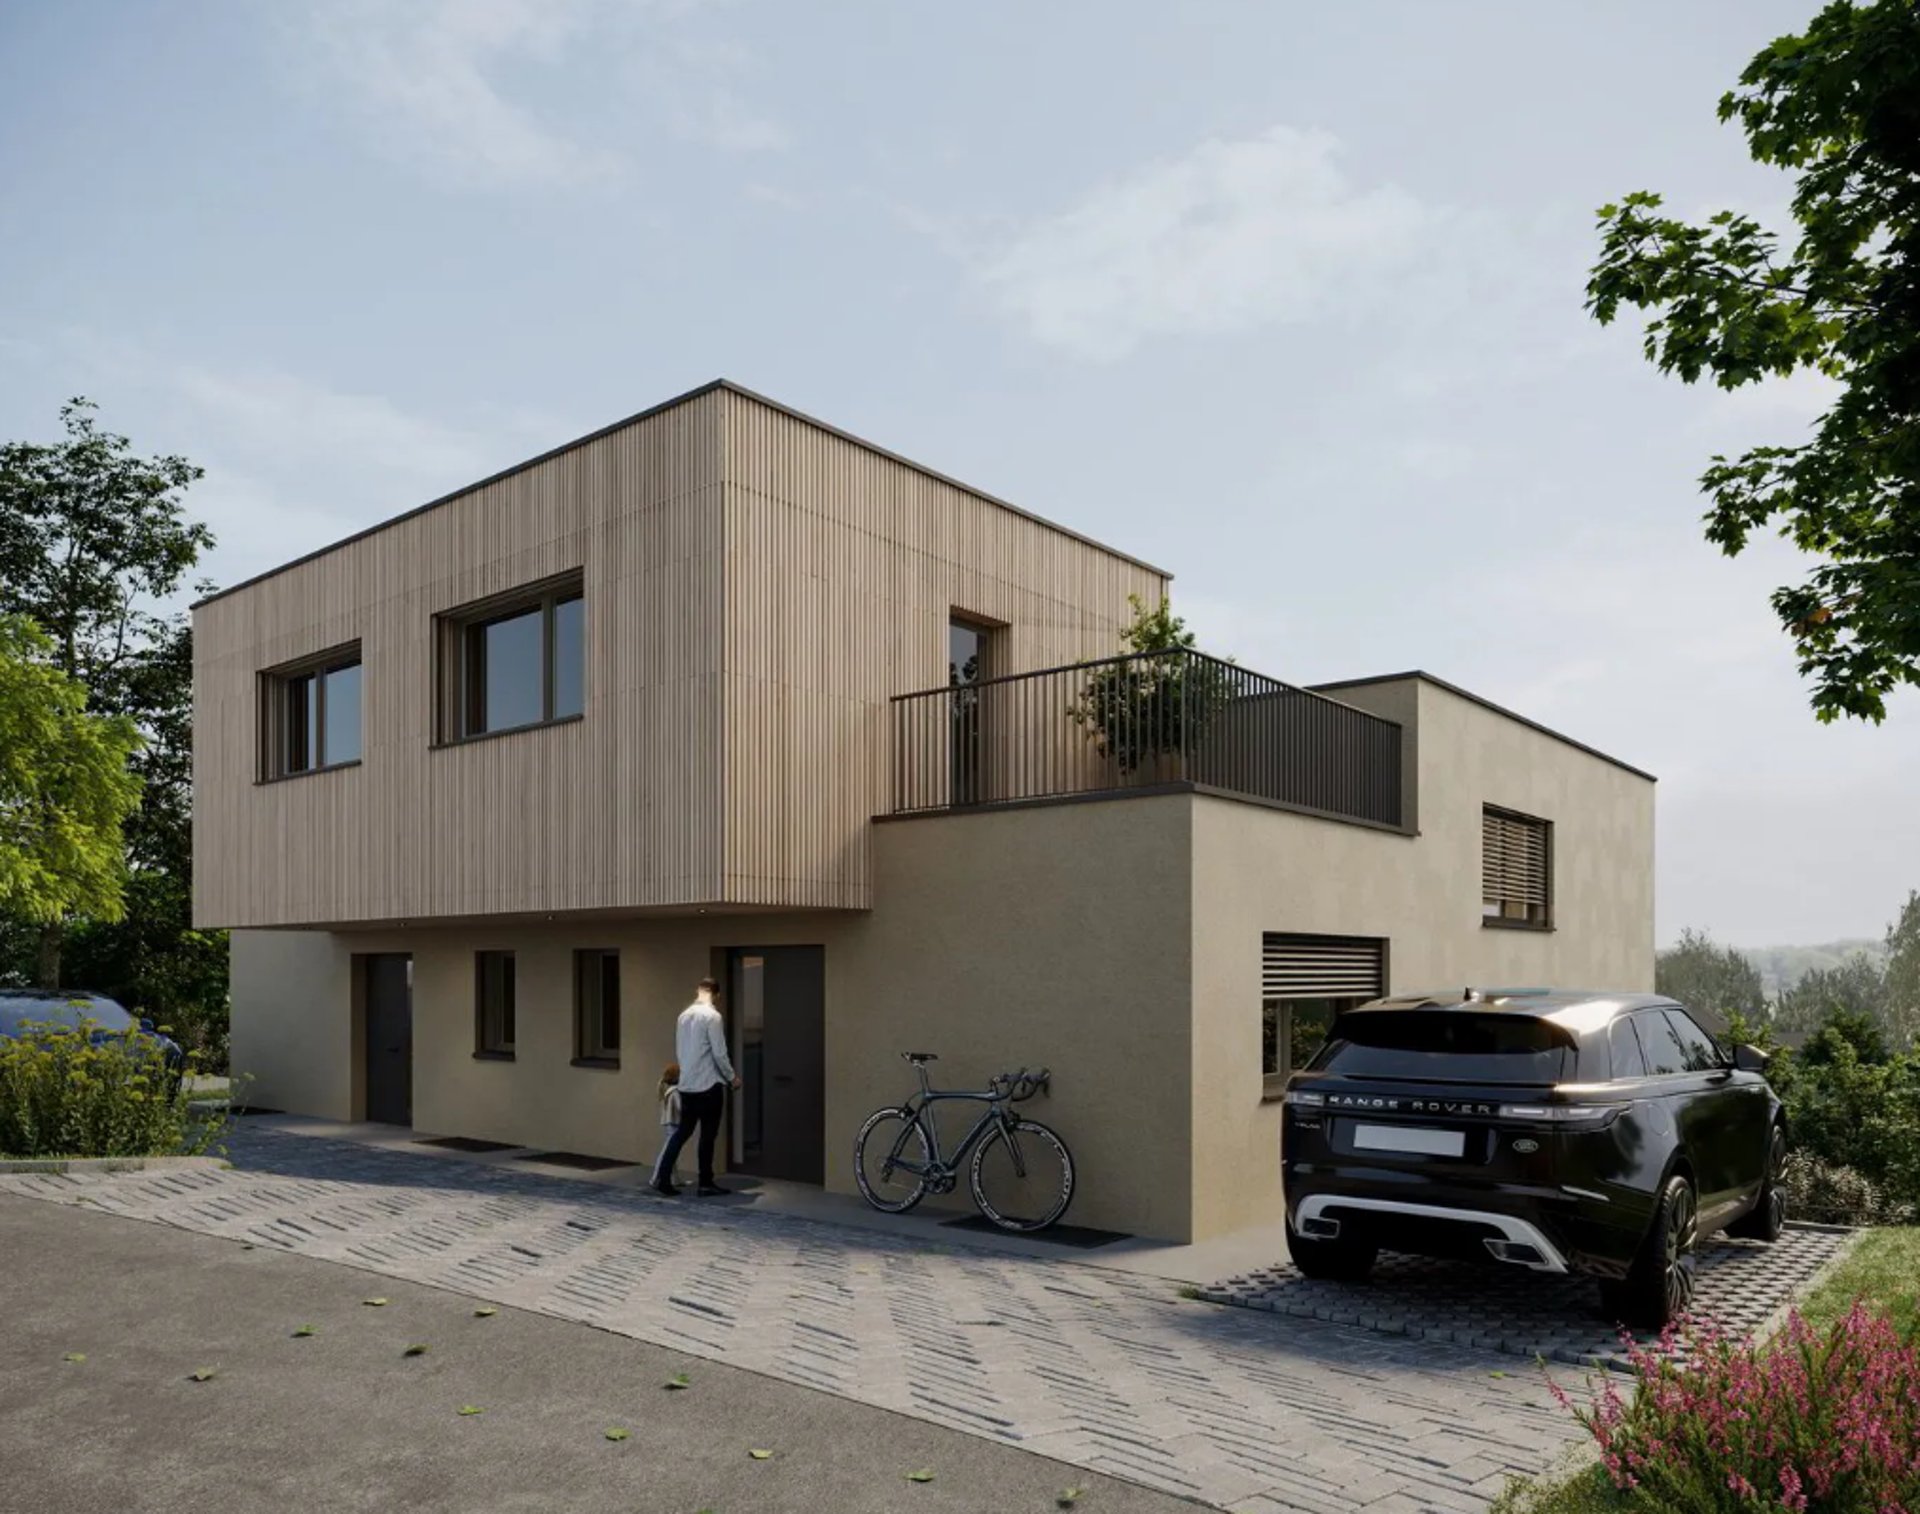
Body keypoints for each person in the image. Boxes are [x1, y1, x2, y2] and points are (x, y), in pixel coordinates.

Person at [651, 978, 739, 1197]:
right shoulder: (713, 1017)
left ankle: (662, 1178)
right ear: (716, 995)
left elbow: (681, 1050)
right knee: (707, 1136)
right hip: (708, 1084)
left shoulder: (683, 1016)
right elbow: (719, 1052)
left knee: (682, 1132)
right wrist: (732, 1077)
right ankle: (705, 1183)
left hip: (687, 1084)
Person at [649, 1062, 682, 1192]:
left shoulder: (666, 1090)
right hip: (674, 1123)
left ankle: (675, 1179)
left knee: (670, 1152)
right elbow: (680, 1108)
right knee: (667, 1152)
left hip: (669, 1123)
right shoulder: (675, 1092)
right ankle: (656, 1177)